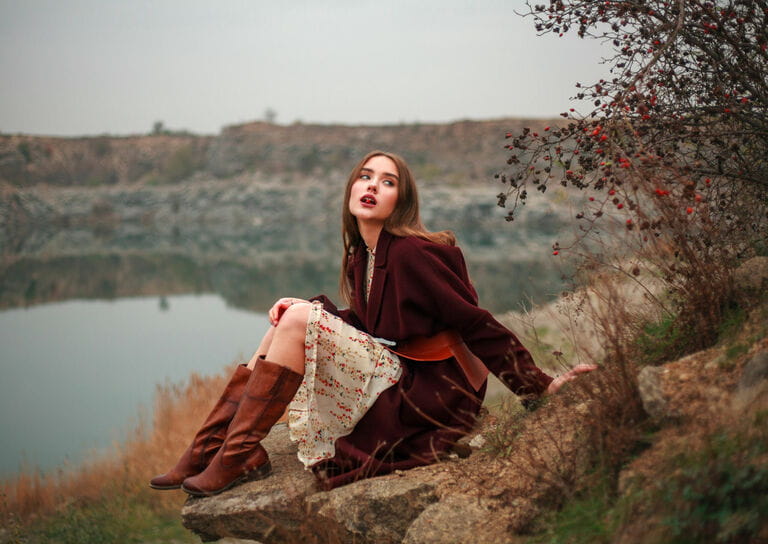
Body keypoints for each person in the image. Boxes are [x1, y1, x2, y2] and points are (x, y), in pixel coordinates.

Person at [149, 150, 595, 496]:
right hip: (402, 370)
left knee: (302, 317)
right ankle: (214, 447)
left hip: (435, 388)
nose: (373, 186)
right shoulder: (361, 255)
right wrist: (301, 309)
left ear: (402, 200)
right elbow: (368, 325)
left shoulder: (414, 253)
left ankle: (236, 452)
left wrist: (539, 384)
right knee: (290, 315)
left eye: (387, 182)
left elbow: (477, 324)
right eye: (365, 176)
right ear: (350, 189)